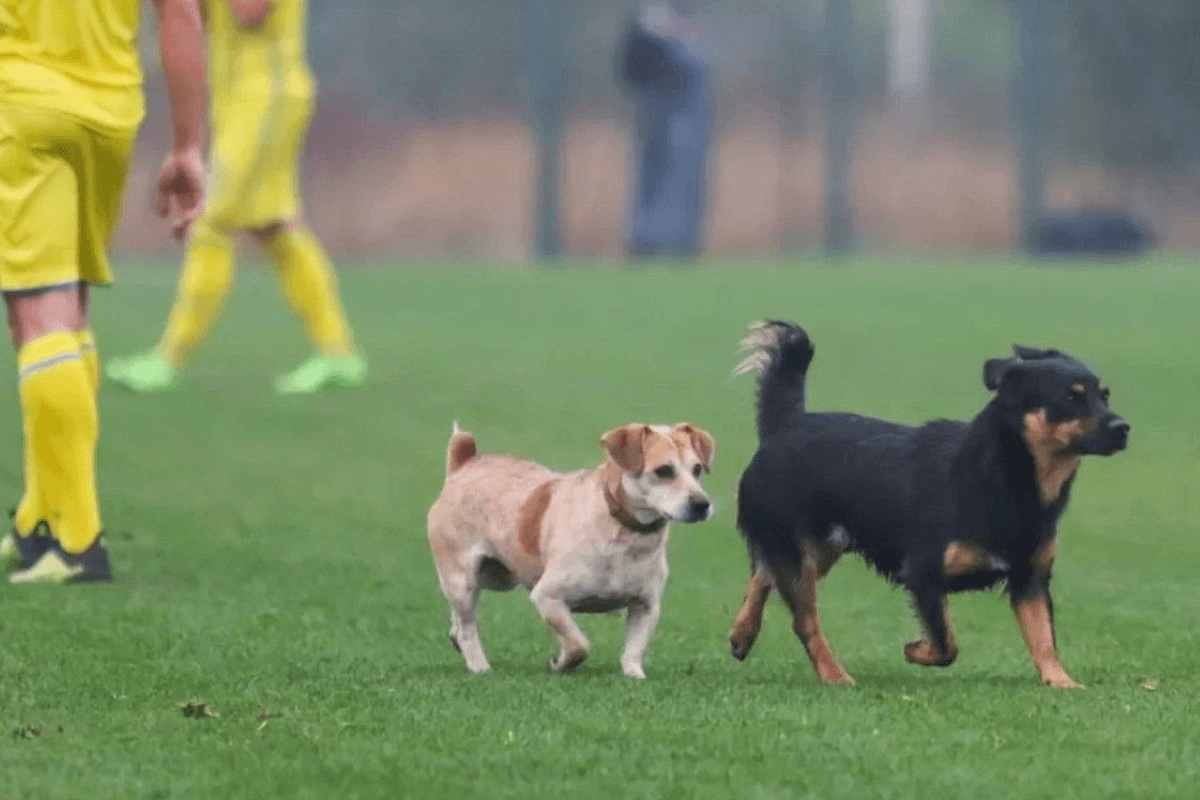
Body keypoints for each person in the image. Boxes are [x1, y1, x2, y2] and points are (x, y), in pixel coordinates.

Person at [0, 0, 208, 582]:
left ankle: (78, 542)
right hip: (110, 115)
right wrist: (187, 145)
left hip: (23, 103)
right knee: (64, 314)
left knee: (40, 315)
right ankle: (39, 517)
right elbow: (182, 17)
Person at [106, 0, 366, 395]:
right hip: (245, 97)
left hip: (265, 96)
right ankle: (339, 354)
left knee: (211, 221)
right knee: (274, 228)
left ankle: (168, 358)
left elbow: (250, 11)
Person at [618, 1, 715, 260]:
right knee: (652, 177)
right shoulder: (650, 23)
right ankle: (647, 240)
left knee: (685, 178)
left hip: (686, 117)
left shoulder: (690, 33)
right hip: (655, 114)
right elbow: (632, 69)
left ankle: (681, 241)